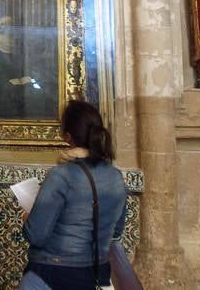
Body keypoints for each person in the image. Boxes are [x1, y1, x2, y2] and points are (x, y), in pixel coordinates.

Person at [20, 100, 127, 290]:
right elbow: (116, 233)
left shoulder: (61, 176)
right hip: (95, 273)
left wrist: (28, 218)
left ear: (68, 137)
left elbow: (36, 235)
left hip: (52, 273)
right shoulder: (116, 177)